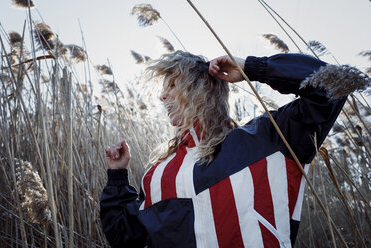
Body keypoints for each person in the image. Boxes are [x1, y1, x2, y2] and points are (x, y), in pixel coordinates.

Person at [100, 51, 349, 248]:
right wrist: (117, 178)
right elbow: (125, 238)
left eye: (173, 84)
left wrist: (252, 68)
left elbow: (331, 84)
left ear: (202, 88)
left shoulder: (266, 139)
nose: (162, 97)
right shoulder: (157, 175)